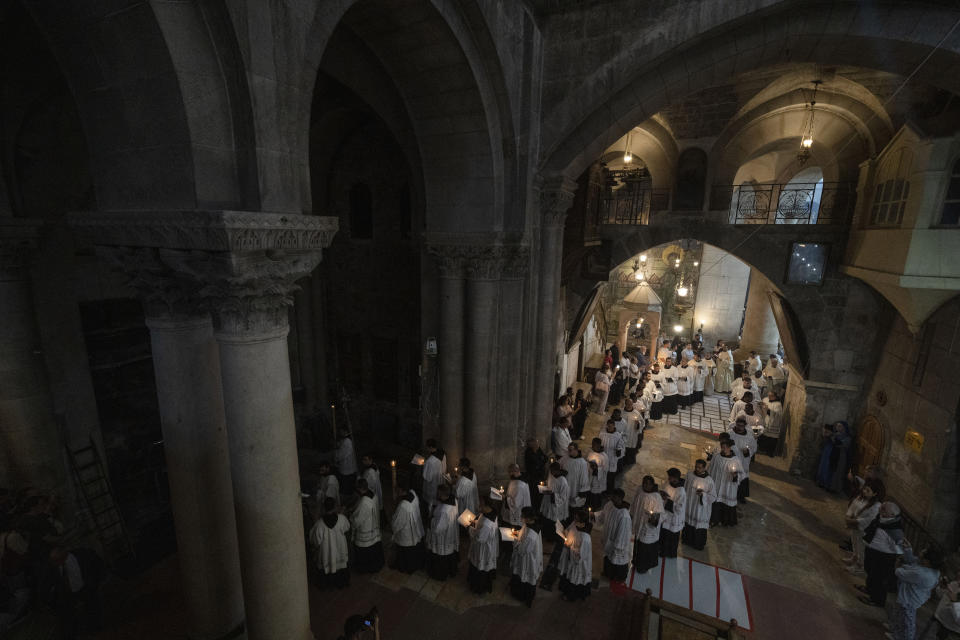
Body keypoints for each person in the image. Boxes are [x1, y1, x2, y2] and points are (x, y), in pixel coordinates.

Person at [888, 541, 942, 640]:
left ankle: (904, 637)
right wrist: (908, 549)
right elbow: (913, 561)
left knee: (908, 622)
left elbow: (900, 573)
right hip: (910, 597)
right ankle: (895, 633)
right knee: (899, 615)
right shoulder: (933, 570)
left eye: (923, 552)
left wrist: (898, 566)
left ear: (927, 561)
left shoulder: (922, 574)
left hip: (909, 600)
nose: (921, 552)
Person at [858, 501, 904, 608]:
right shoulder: (882, 518)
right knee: (870, 571)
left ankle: (877, 600)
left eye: (884, 509)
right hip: (873, 551)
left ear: (892, 515)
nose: (880, 510)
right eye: (881, 507)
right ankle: (869, 589)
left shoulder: (895, 529)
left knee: (878, 579)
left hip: (883, 557)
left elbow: (898, 548)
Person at [843, 478, 884, 577]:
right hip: (854, 526)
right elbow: (853, 506)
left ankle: (860, 567)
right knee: (855, 543)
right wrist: (848, 516)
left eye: (868, 490)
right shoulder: (861, 497)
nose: (864, 491)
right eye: (865, 489)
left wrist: (854, 521)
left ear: (874, 494)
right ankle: (854, 558)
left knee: (861, 548)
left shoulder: (876, 506)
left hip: (863, 530)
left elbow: (869, 520)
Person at [310, 497, 351, 588]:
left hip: (326, 554)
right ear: (335, 507)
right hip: (340, 550)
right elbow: (347, 527)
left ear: (324, 508)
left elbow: (315, 540)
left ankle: (328, 584)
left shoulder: (319, 524)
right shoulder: (342, 518)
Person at [594, 489, 631, 582]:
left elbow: (623, 533)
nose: (611, 498)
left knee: (616, 559)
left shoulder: (624, 515)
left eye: (614, 496)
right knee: (607, 557)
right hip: (608, 538)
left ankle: (618, 577)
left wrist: (618, 545)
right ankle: (608, 573)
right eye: (612, 496)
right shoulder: (609, 505)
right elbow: (602, 515)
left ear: (620, 498)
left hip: (616, 543)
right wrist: (594, 516)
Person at [509, 507, 543, 607]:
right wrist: (518, 534)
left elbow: (522, 550)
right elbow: (523, 535)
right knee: (522, 576)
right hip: (527, 557)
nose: (521, 517)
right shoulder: (530, 525)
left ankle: (523, 596)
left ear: (528, 518)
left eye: (523, 516)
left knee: (525, 577)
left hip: (528, 560)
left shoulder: (532, 534)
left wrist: (514, 539)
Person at [557, 509, 592, 602]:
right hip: (570, 559)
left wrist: (570, 547)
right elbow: (568, 531)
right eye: (574, 518)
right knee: (568, 576)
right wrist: (564, 532)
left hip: (578, 564)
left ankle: (572, 596)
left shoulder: (585, 538)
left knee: (575, 579)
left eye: (576, 519)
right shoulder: (574, 525)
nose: (574, 521)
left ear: (582, 523)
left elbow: (581, 556)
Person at [350, 479, 384, 573]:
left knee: (365, 550)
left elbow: (358, 520)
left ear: (359, 489)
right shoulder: (374, 495)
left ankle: (364, 569)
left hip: (366, 530)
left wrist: (351, 518)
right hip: (374, 526)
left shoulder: (364, 501)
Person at [425, 484, 459, 581]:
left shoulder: (444, 511)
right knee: (449, 553)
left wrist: (431, 519)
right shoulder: (454, 500)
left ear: (442, 494)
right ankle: (451, 570)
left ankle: (440, 574)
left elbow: (438, 529)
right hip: (451, 532)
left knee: (442, 555)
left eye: (438, 493)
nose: (437, 494)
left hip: (443, 537)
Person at [630, 476, 663, 573]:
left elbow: (660, 513)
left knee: (645, 548)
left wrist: (654, 518)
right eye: (644, 483)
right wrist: (632, 515)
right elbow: (634, 504)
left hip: (648, 527)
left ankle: (644, 566)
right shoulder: (640, 491)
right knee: (638, 545)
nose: (646, 485)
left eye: (649, 484)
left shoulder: (656, 497)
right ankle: (636, 561)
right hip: (639, 523)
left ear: (652, 485)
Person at [467, 496, 499, 594]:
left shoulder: (487, 524)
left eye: (481, 504)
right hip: (486, 544)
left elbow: (479, 538)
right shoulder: (491, 513)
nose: (479, 506)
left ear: (487, 506)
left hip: (483, 548)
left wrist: (470, 527)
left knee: (481, 568)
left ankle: (479, 588)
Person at [682, 459, 717, 550]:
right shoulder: (690, 475)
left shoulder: (709, 481)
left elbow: (713, 496)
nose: (697, 469)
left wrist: (703, 495)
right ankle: (686, 540)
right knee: (688, 523)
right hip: (690, 505)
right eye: (696, 467)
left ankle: (698, 544)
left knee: (698, 526)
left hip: (700, 509)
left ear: (704, 468)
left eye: (700, 468)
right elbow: (684, 488)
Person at [390, 486, 425, 574]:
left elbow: (397, 523)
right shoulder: (413, 493)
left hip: (407, 532)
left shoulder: (403, 505)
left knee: (405, 552)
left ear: (400, 490)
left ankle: (405, 567)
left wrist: (393, 523)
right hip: (414, 527)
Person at [712, 440, 742, 527]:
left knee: (726, 503)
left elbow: (741, 474)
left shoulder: (735, 460)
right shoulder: (717, 457)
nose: (723, 449)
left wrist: (735, 476)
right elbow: (712, 469)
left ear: (729, 448)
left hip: (728, 485)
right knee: (717, 502)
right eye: (722, 447)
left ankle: (726, 521)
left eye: (725, 448)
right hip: (717, 483)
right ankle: (715, 520)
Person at [727, 417, 758, 504]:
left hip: (743, 460)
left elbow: (754, 447)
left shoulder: (749, 436)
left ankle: (741, 496)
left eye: (741, 425)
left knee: (743, 477)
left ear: (745, 426)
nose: (739, 427)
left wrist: (748, 451)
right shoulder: (730, 433)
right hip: (732, 459)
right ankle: (729, 494)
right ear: (735, 424)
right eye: (738, 425)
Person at [817, 422, 853, 492]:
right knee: (826, 468)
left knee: (837, 472)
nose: (838, 427)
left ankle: (832, 487)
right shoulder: (835, 434)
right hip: (831, 453)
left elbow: (842, 444)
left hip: (840, 456)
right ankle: (823, 483)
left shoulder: (847, 437)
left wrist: (833, 438)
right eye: (837, 426)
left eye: (840, 426)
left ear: (844, 428)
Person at [659, 468, 686, 558]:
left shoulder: (681, 491)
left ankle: (671, 553)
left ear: (675, 478)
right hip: (665, 515)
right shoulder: (667, 484)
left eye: (670, 477)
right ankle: (662, 551)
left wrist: (667, 500)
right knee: (664, 534)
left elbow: (679, 508)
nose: (668, 479)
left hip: (674, 518)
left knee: (671, 537)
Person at [930, 568, 960, 639]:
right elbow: (941, 595)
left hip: (952, 629)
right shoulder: (954, 584)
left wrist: (954, 601)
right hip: (940, 618)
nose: (959, 574)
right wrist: (942, 587)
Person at [561, 443, 589, 513]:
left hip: (575, 488)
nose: (569, 452)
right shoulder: (565, 458)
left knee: (574, 508)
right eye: (568, 450)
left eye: (570, 450)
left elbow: (584, 478)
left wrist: (583, 491)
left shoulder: (582, 463)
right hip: (566, 486)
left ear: (576, 450)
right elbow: (559, 466)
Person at [422, 439, 447, 514]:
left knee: (431, 502)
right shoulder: (443, 454)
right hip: (441, 481)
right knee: (439, 499)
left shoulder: (430, 461)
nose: (426, 449)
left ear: (430, 447)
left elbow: (427, 477)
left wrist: (424, 465)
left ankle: (430, 515)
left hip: (433, 485)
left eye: (427, 447)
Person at [599, 420, 625, 493]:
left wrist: (619, 451)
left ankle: (609, 491)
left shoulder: (618, 435)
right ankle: (602, 490)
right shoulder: (602, 434)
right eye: (608, 426)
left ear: (614, 426)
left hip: (612, 459)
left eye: (611, 426)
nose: (610, 427)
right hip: (603, 458)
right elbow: (599, 444)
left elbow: (621, 447)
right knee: (603, 476)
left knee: (610, 477)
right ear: (606, 425)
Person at [504, 464, 531, 528]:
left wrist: (505, 498)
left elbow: (515, 503)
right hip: (520, 509)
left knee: (516, 529)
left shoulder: (519, 485)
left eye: (510, 472)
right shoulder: (518, 478)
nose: (509, 474)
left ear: (514, 471)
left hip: (518, 512)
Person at [454, 458, 479, 524]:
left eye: (459, 465)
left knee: (465, 522)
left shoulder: (463, 481)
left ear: (462, 467)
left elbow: (458, 494)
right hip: (473, 500)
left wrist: (453, 485)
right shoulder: (473, 474)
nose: (458, 466)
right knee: (471, 519)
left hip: (465, 504)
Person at [585, 438, 608, 510]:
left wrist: (597, 469)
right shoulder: (590, 452)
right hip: (589, 476)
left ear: (598, 445)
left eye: (594, 444)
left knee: (596, 494)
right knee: (589, 492)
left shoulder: (604, 456)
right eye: (592, 444)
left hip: (597, 479)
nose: (592, 446)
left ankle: (596, 507)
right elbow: (585, 461)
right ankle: (588, 505)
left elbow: (605, 470)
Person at [759, 391, 783, 456]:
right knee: (764, 436)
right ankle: (762, 449)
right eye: (768, 395)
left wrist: (768, 410)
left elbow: (778, 415)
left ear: (775, 396)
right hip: (765, 421)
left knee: (772, 439)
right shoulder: (765, 399)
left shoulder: (778, 404)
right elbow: (761, 406)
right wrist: (761, 404)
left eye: (771, 396)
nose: (769, 397)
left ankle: (770, 452)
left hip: (773, 423)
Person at [335, 431, 358, 495]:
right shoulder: (345, 441)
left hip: (347, 469)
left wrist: (336, 455)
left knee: (347, 486)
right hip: (347, 468)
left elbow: (341, 455)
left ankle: (348, 494)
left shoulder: (347, 442)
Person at [621, 397, 643, 464]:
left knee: (630, 448)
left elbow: (642, 422)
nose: (629, 405)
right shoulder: (621, 412)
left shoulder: (636, 413)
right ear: (625, 404)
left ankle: (630, 461)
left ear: (632, 404)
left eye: (630, 404)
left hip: (632, 434)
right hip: (623, 434)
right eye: (627, 404)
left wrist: (638, 424)